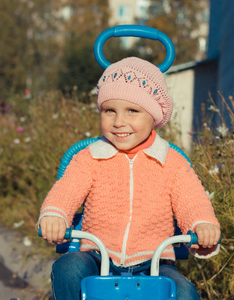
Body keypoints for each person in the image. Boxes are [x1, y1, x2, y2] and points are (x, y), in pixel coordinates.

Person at [37, 57, 221, 300]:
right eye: (109, 110)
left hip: (154, 262)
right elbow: (65, 191)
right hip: (96, 254)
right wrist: (54, 215)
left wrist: (202, 225)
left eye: (132, 111)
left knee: (184, 293)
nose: (119, 122)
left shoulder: (170, 161)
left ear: (153, 116)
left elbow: (193, 200)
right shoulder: (90, 157)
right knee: (69, 269)